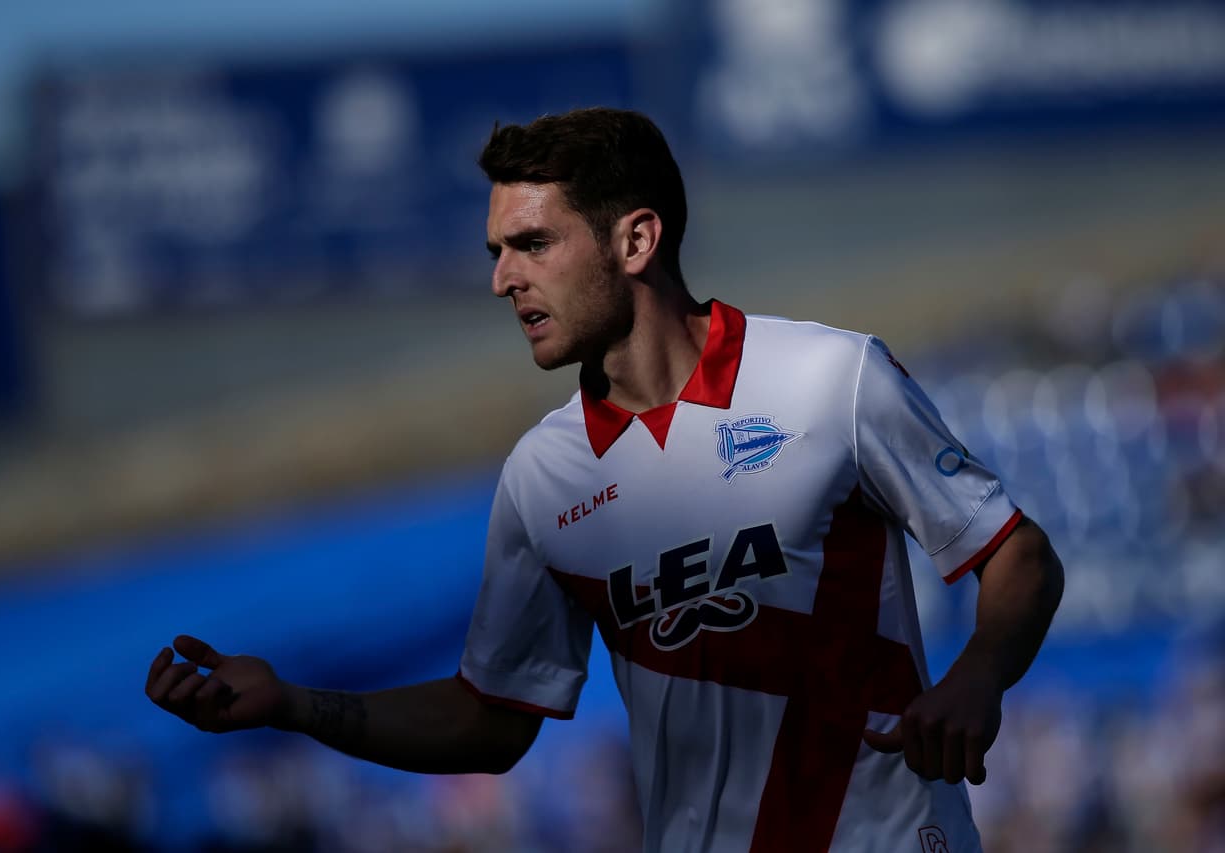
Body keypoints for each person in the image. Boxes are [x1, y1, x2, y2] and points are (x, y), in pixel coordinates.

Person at [146, 107, 1065, 852]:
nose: (503, 279)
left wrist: (980, 674)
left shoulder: (835, 378)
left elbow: (1016, 551)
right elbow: (490, 719)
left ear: (635, 240)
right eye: (497, 251)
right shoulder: (541, 478)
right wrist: (294, 704)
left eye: (532, 243)